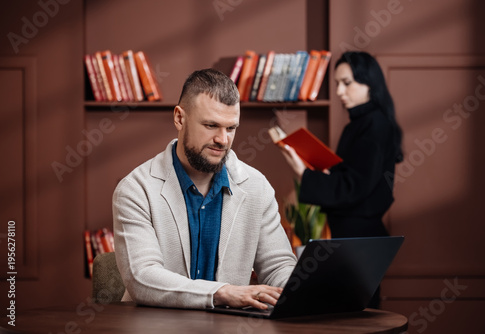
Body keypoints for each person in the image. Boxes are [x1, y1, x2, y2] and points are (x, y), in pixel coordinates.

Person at [113, 68, 296, 310]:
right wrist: (223, 293)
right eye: (211, 125)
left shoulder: (257, 186)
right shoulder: (136, 189)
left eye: (231, 128)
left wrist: (301, 291)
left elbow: (278, 266)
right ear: (180, 118)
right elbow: (142, 278)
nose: (223, 139)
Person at [279, 51, 403, 308]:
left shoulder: (374, 124)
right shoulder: (361, 124)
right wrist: (327, 174)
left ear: (370, 83)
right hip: (355, 237)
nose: (338, 91)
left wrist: (304, 174)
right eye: (337, 83)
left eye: (346, 83)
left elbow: (355, 187)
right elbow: (355, 179)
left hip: (360, 239)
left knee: (356, 318)